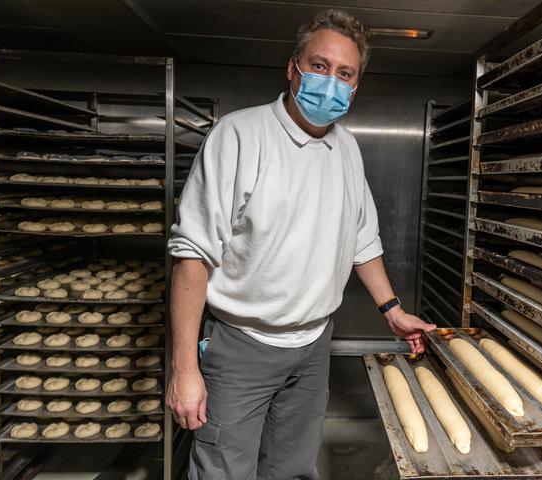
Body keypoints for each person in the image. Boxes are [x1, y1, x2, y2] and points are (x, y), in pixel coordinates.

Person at [166, 9, 436, 480]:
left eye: (344, 73)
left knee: (292, 469)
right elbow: (193, 254)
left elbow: (361, 238)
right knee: (222, 472)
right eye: (319, 66)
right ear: (293, 68)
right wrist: (184, 369)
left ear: (356, 86)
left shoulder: (348, 149)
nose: (330, 81)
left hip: (314, 345)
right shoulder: (240, 135)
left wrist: (392, 309)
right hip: (240, 346)